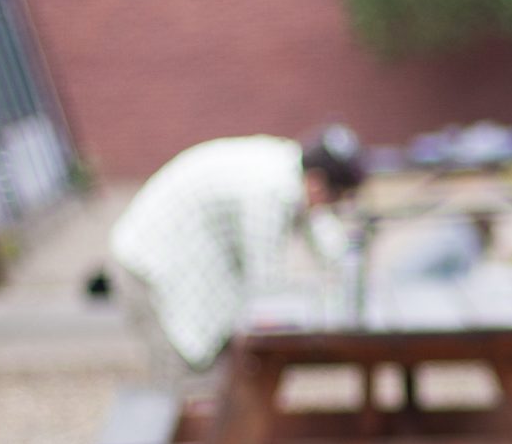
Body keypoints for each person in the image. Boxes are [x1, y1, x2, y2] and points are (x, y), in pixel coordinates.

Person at [106, 126, 365, 392]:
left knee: (223, 365)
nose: (326, 208)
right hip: (149, 264)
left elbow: (322, 228)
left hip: (188, 255)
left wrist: (345, 264)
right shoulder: (268, 192)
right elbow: (265, 284)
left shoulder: (290, 167)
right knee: (185, 379)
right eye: (331, 200)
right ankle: (196, 432)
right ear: (316, 183)